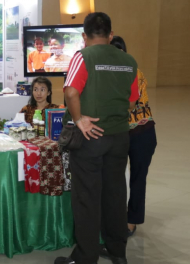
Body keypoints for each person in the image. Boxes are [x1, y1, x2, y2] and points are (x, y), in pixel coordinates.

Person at [55, 13, 139, 264]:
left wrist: (80, 119)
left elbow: (70, 91)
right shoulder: (129, 61)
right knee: (114, 195)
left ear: (84, 36)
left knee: (87, 199)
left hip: (90, 138)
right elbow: (132, 101)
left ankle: (86, 256)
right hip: (120, 137)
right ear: (110, 35)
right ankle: (117, 252)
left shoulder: (83, 57)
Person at [110, 36, 157, 238]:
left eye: (121, 52)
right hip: (118, 132)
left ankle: (132, 221)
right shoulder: (107, 76)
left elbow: (128, 103)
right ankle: (113, 216)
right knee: (114, 178)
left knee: (138, 178)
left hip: (142, 133)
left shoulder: (134, 72)